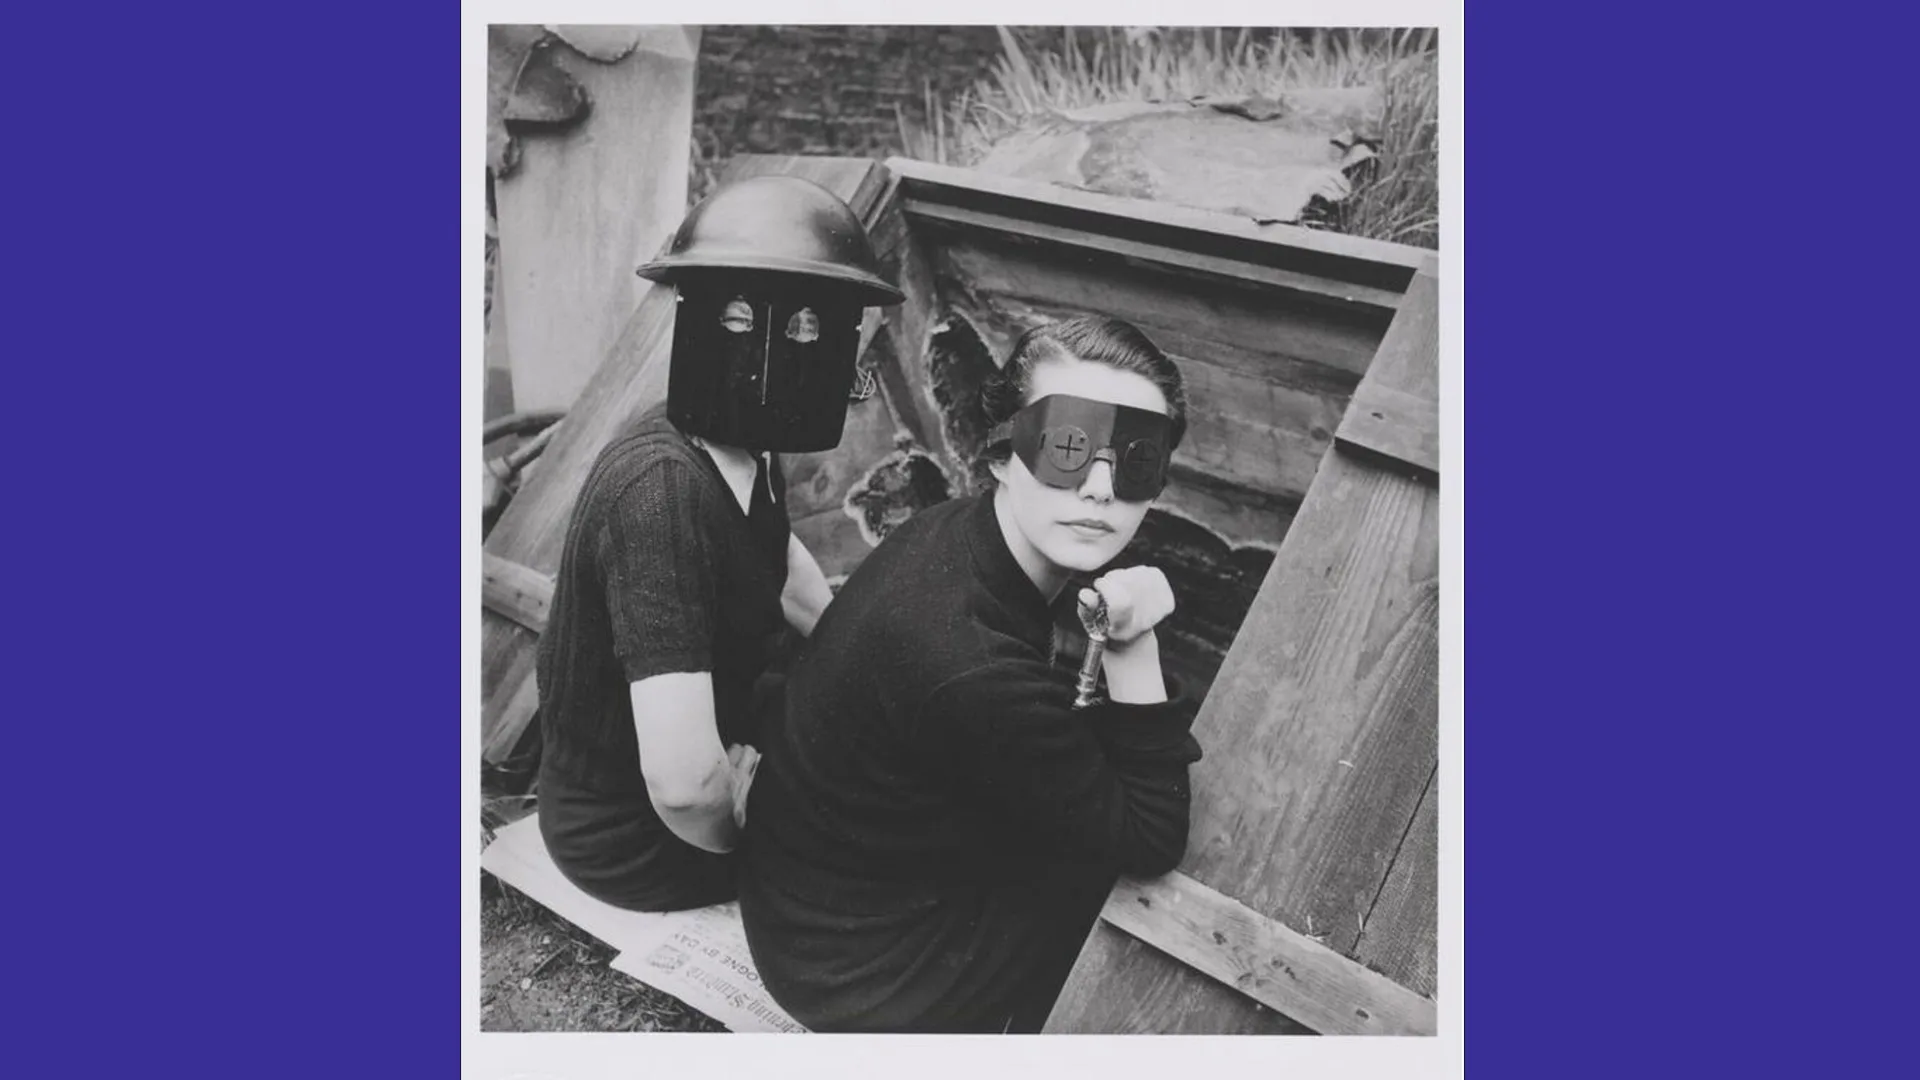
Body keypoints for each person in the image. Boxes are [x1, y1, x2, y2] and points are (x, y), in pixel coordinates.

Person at [738, 315, 1204, 1032]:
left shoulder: (957, 530)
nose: (1101, 490)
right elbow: (1151, 837)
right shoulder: (971, 663)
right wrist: (1133, 640)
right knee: (1145, 902)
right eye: (1068, 448)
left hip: (811, 908)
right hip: (868, 970)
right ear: (999, 456)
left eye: (1136, 458)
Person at [533, 175, 904, 912]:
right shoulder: (660, 494)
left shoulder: (743, 441)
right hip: (632, 836)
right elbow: (679, 782)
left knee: (872, 749)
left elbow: (779, 557)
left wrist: (855, 670)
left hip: (713, 738)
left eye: (816, 329)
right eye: (771, 325)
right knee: (879, 839)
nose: (812, 352)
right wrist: (746, 823)